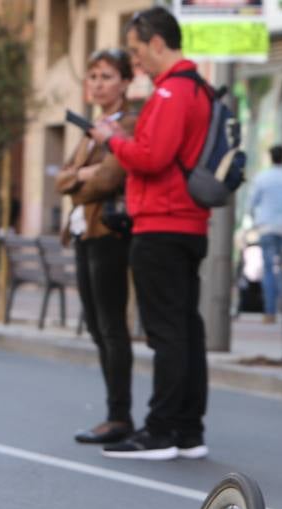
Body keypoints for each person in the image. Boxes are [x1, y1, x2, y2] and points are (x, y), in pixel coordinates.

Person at [90, 6, 211, 461]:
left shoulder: (170, 92)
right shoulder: (199, 88)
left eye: (138, 52)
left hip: (162, 222)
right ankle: (188, 430)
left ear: (158, 43)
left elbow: (151, 156)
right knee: (185, 329)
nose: (137, 63)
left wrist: (112, 141)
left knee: (166, 333)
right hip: (188, 222)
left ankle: (160, 430)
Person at [56, 48, 137, 446]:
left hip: (108, 233)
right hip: (84, 232)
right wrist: (80, 174)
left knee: (110, 326)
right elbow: (61, 178)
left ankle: (118, 415)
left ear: (124, 81)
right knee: (96, 326)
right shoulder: (93, 128)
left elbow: (109, 179)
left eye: (106, 76)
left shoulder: (128, 124)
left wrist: (81, 177)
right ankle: (114, 411)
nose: (98, 84)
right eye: (93, 77)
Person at [246, 144, 282, 326]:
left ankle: (270, 311)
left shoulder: (262, 178)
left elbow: (251, 204)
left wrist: (254, 222)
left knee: (269, 270)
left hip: (266, 228)